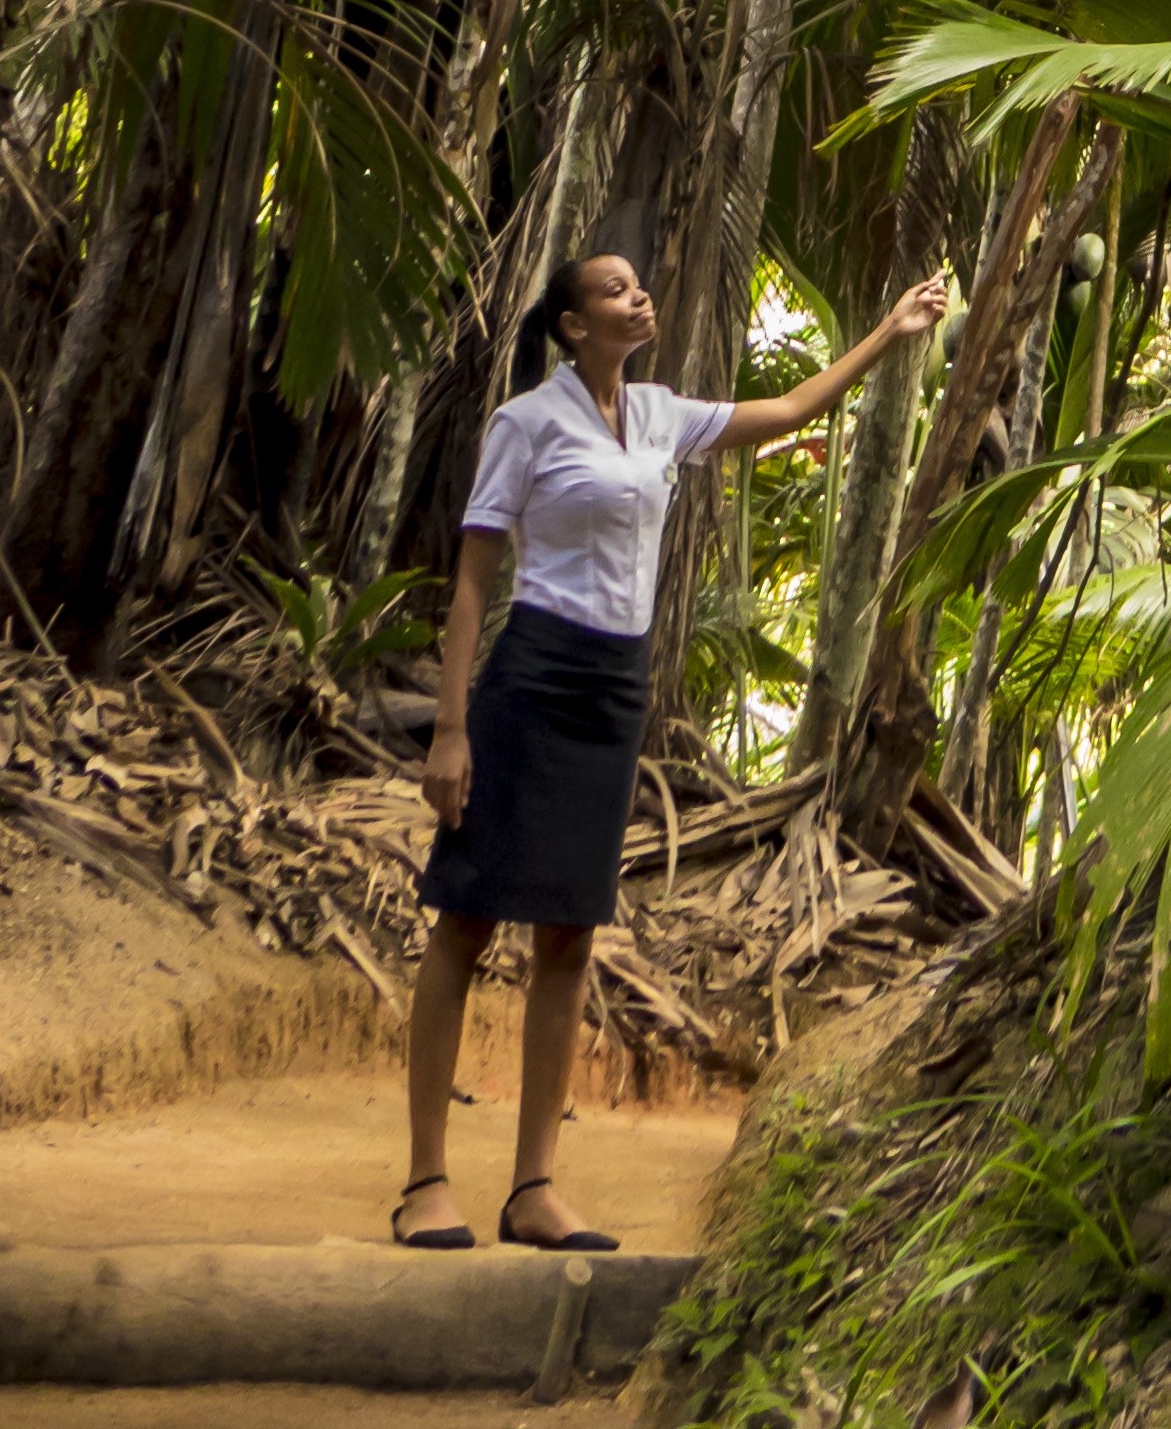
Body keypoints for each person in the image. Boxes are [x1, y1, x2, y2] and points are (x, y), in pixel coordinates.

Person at [390, 246, 952, 1254]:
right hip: (532, 675)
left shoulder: (658, 415)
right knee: (466, 918)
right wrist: (450, 727)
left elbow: (790, 409)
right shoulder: (526, 423)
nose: (639, 295)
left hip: (616, 687)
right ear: (573, 326)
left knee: (569, 934)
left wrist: (889, 332)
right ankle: (426, 1180)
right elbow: (473, 581)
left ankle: (533, 1189)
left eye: (639, 283)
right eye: (615, 288)